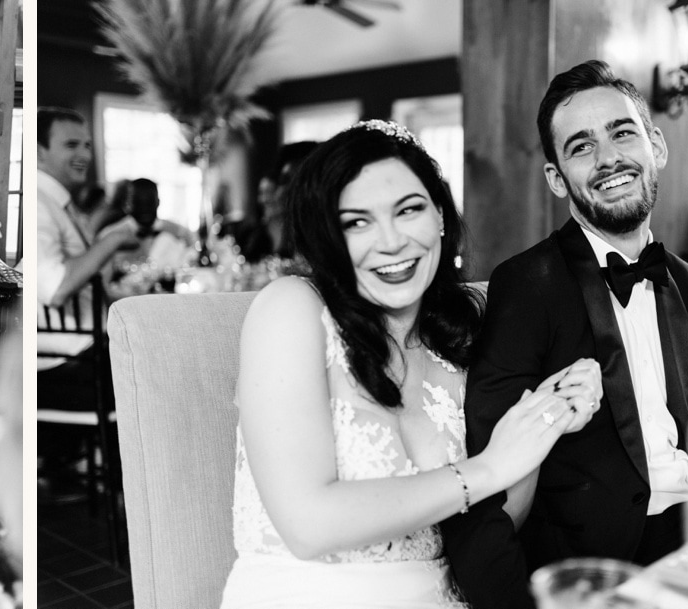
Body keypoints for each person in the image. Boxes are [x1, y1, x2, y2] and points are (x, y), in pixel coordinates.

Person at [221, 122, 603, 608]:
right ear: (328, 238)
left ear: (440, 216)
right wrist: (486, 469)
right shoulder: (291, 309)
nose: (392, 242)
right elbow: (307, 525)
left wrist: (545, 423)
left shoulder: (464, 340)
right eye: (356, 222)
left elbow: (497, 523)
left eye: (409, 210)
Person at [440, 60, 688, 609]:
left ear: (657, 146)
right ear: (557, 179)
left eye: (622, 133)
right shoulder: (527, 286)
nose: (608, 159)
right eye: (580, 147)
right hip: (596, 569)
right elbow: (488, 481)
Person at [36, 107, 137, 314]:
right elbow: (55, 289)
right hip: (76, 344)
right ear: (39, 152)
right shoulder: (38, 203)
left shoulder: (60, 202)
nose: (85, 155)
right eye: (71, 145)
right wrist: (113, 240)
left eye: (87, 146)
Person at [227, 141, 317, 261]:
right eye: (261, 193)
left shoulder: (318, 242)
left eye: (285, 181)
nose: (277, 194)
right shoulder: (258, 235)